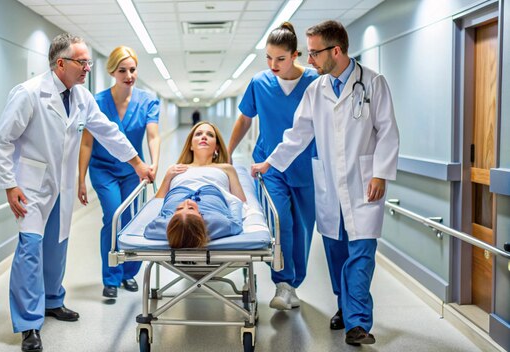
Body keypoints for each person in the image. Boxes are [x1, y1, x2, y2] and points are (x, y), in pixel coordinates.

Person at [0, 33, 153, 352]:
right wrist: (9, 184)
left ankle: (53, 301)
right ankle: (28, 324)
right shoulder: (29, 93)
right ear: (61, 63)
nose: (88, 69)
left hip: (61, 186)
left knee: (57, 247)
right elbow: (2, 141)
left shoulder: (81, 97)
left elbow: (108, 132)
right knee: (30, 251)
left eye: (89, 62)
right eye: (82, 62)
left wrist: (137, 163)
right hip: (31, 188)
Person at [251, 20, 399, 345]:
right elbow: (298, 134)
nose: (311, 60)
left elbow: (388, 131)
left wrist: (380, 173)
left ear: (336, 50)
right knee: (336, 251)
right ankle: (344, 307)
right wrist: (269, 162)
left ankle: (358, 323)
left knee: (361, 252)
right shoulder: (316, 90)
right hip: (330, 185)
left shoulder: (373, 83)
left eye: (315, 53)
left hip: (364, 185)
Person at [227, 21, 319, 311]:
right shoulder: (260, 83)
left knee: (304, 227)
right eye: (268, 57)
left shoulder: (315, 82)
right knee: (281, 220)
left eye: (280, 58)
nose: (273, 64)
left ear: (295, 55)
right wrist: (226, 152)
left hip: (306, 165)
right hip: (269, 165)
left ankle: (294, 283)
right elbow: (244, 119)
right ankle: (282, 282)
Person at [77, 46, 160, 299]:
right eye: (122, 70)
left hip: (133, 170)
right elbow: (86, 142)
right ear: (112, 71)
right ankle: (111, 276)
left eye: (132, 69)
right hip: (103, 169)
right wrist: (80, 178)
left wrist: (154, 163)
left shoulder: (147, 101)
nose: (129, 75)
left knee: (133, 220)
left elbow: (153, 135)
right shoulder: (97, 101)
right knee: (113, 217)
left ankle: (129, 273)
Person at [144, 121, 246, 248]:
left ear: (217, 147)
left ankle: (189, 231)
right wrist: (167, 177)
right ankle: (190, 230)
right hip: (176, 204)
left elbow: (240, 201)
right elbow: (158, 202)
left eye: (210, 135)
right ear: (191, 145)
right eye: (198, 134)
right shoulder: (175, 169)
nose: (204, 136)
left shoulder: (226, 168)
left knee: (221, 223)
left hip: (212, 206)